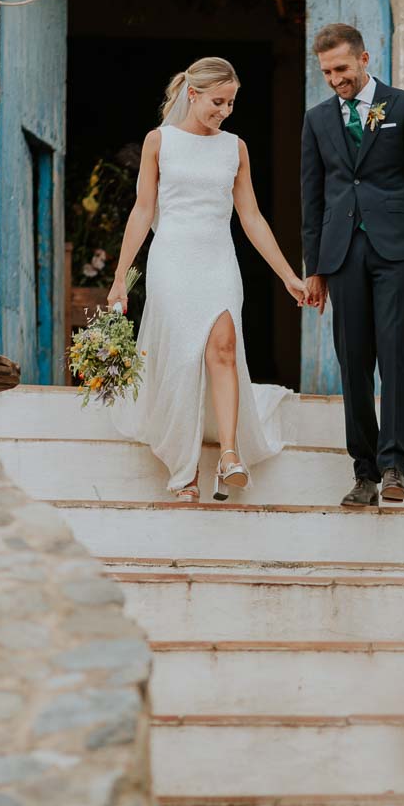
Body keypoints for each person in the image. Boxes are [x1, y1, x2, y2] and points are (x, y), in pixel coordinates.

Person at [107, 56, 307, 501]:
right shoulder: (159, 141)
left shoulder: (234, 147)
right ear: (192, 94)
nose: (225, 111)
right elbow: (143, 210)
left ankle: (231, 455)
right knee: (180, 358)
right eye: (218, 101)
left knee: (223, 345)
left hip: (218, 259)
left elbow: (251, 217)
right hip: (172, 259)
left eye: (232, 103)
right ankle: (184, 469)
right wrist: (122, 277)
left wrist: (288, 275)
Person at [300, 23, 404, 506]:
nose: (335, 79)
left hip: (397, 250)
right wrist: (315, 267)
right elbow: (313, 198)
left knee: (395, 356)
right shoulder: (317, 120)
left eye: (341, 68)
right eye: (326, 72)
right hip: (342, 254)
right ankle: (363, 470)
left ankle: (394, 466)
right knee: (353, 359)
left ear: (364, 59)